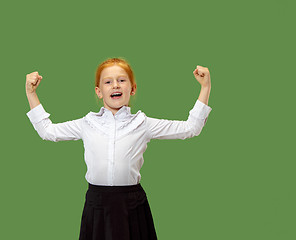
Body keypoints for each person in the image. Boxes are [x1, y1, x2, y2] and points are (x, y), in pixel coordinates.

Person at [25, 57, 212, 240]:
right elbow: (47, 131)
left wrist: (205, 87)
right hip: (97, 204)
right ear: (99, 91)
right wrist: (31, 94)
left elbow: (191, 128)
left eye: (122, 80)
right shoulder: (87, 123)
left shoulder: (143, 123)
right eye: (108, 82)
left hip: (132, 205)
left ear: (132, 89)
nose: (115, 85)